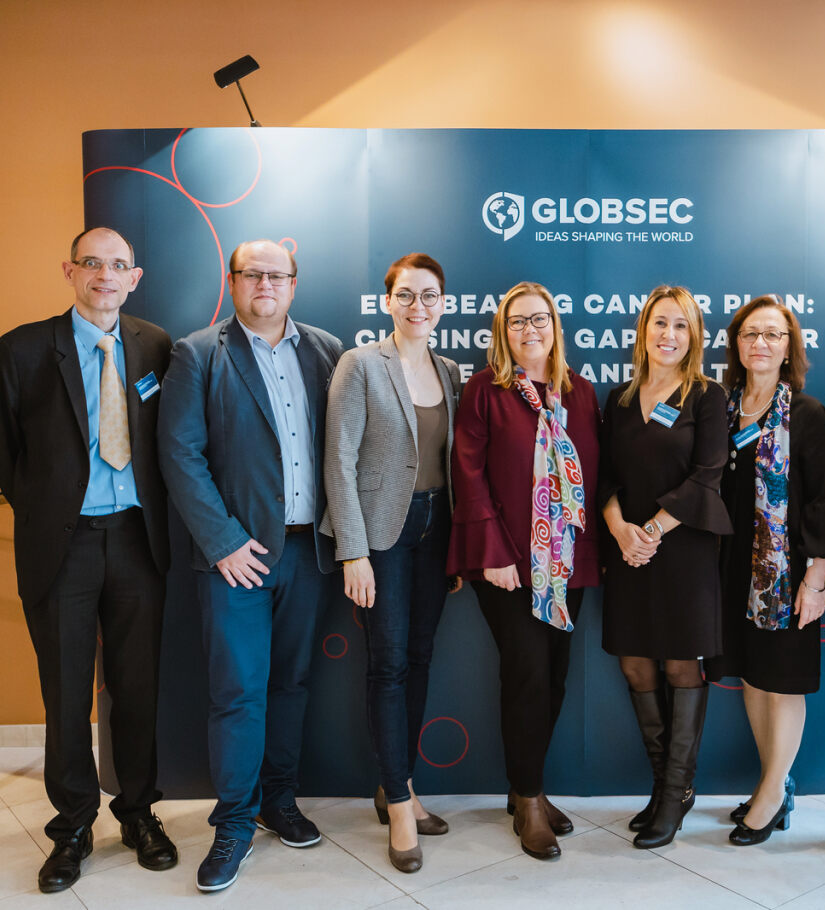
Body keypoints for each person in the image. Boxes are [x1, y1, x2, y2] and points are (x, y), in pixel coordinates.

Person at [0, 227, 177, 892]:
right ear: (69, 271)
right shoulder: (21, 349)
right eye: (91, 262)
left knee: (137, 688)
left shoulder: (155, 345)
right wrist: (53, 510)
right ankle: (71, 828)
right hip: (62, 546)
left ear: (134, 277)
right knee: (66, 695)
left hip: (138, 542)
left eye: (117, 265)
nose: (104, 275)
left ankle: (139, 814)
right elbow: (5, 448)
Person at [158, 239, 344, 892]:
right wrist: (223, 542)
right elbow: (180, 454)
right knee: (238, 692)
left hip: (308, 552)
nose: (265, 284)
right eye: (252, 274)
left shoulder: (326, 350)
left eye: (277, 275)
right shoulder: (198, 353)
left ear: (294, 283)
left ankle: (278, 801)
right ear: (233, 281)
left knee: (291, 685)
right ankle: (234, 822)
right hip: (236, 558)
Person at [447, 281, 601, 861]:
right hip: (508, 563)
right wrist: (492, 552)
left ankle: (524, 786)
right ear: (503, 332)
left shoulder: (579, 392)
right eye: (517, 322)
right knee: (528, 674)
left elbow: (595, 476)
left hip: (567, 562)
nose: (529, 330)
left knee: (555, 676)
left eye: (539, 319)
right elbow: (468, 472)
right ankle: (530, 799)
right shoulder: (485, 390)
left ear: (555, 327)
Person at [322, 253, 461, 874]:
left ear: (442, 304)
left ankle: (396, 784)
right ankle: (401, 808)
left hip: (437, 531)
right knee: (389, 665)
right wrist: (353, 550)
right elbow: (338, 458)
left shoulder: (450, 370)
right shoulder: (360, 364)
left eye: (429, 296)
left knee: (421, 658)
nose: (417, 306)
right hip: (382, 535)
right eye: (406, 295)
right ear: (388, 302)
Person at [702, 295, 825, 847]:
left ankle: (771, 794)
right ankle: (773, 784)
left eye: (773, 335)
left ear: (789, 348)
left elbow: (824, 500)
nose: (760, 343)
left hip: (785, 574)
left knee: (782, 681)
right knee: (753, 677)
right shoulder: (721, 408)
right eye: (750, 334)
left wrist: (816, 579)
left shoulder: (805, 413)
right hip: (733, 568)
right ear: (736, 345)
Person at [599, 285, 732, 849]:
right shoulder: (620, 399)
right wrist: (620, 531)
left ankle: (677, 792)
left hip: (683, 551)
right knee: (635, 665)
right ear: (644, 330)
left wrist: (650, 532)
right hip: (627, 549)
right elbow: (603, 477)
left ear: (693, 335)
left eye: (680, 325)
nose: (668, 335)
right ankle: (663, 786)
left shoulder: (707, 395)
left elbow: (708, 474)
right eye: (660, 323)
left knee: (681, 665)